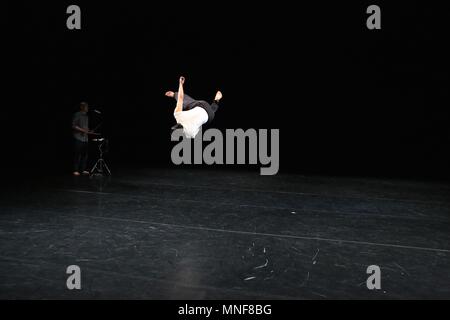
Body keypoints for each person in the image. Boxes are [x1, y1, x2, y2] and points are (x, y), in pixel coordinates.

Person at [72, 102, 95, 176]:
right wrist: (83, 130)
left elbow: (85, 127)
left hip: (85, 138)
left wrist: (89, 131)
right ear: (82, 107)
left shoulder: (86, 116)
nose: (87, 108)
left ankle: (83, 169)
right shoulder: (77, 114)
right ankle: (75, 170)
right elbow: (74, 126)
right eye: (86, 107)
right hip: (78, 137)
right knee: (77, 154)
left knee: (85, 155)